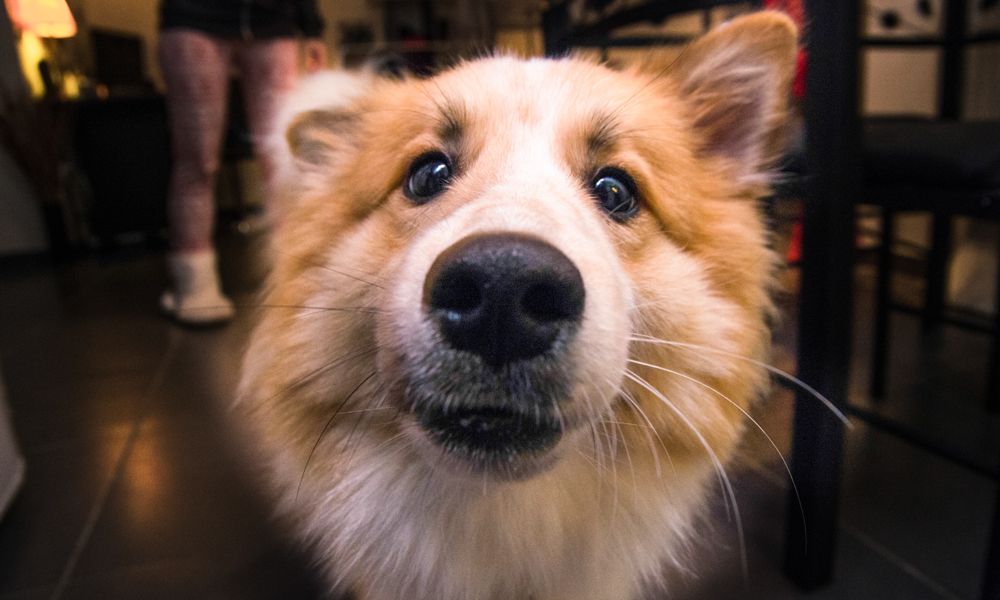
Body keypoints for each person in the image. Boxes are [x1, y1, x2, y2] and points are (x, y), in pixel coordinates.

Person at [157, 0, 326, 325]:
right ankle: (194, 282)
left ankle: (293, 277)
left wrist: (312, 26)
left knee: (283, 159)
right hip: (194, 17)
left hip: (273, 20)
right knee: (198, 159)